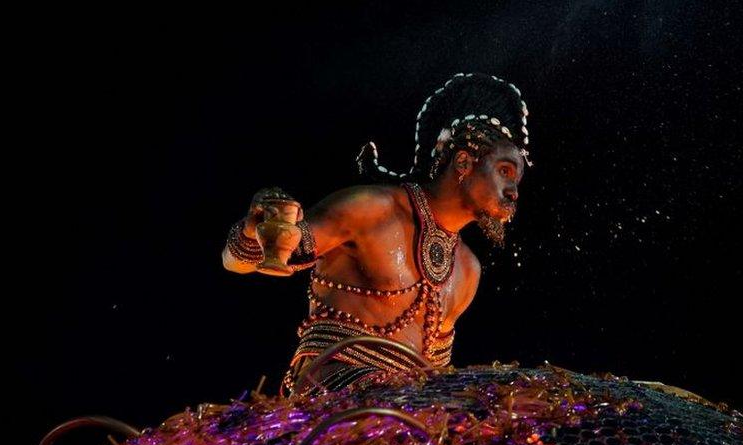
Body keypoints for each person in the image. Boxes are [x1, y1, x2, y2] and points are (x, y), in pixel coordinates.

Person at [222, 73, 532, 398]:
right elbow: (242, 262)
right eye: (505, 172)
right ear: (464, 162)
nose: (513, 192)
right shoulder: (372, 209)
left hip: (408, 425)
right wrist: (256, 226)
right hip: (333, 404)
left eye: (517, 181)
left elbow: (434, 375)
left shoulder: (468, 270)